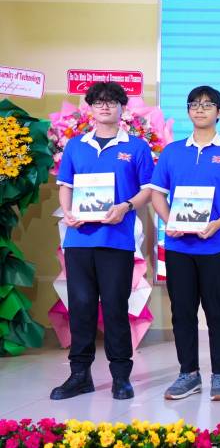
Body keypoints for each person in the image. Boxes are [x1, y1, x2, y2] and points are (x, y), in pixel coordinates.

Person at [149, 85, 220, 401]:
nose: (200, 109)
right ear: (188, 111)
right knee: (182, 313)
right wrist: (170, 221)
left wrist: (218, 224)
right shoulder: (172, 152)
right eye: (194, 104)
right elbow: (157, 194)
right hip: (179, 248)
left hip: (217, 247)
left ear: (219, 112)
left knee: (218, 312)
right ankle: (188, 374)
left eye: (208, 105)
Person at [51, 81, 153, 401]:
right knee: (80, 307)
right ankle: (79, 375)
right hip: (78, 240)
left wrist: (126, 206)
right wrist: (68, 212)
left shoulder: (136, 147)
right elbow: (66, 185)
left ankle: (121, 376)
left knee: (114, 308)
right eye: (98, 102)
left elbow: (148, 190)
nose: (105, 106)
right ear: (91, 108)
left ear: (122, 108)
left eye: (111, 101)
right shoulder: (76, 145)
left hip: (116, 240)